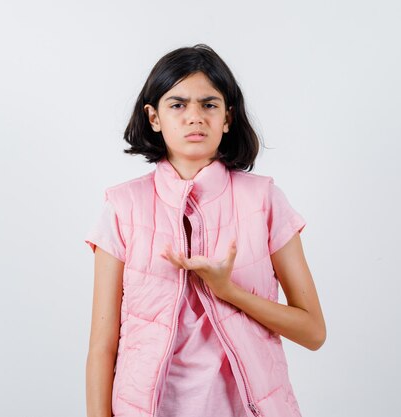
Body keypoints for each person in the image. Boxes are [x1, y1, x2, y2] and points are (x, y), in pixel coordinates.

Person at [84, 44, 326, 417]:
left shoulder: (265, 200)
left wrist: (227, 291)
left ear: (227, 118)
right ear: (154, 117)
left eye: (209, 104)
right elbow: (102, 346)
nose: (195, 117)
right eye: (177, 105)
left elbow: (313, 332)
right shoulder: (122, 207)